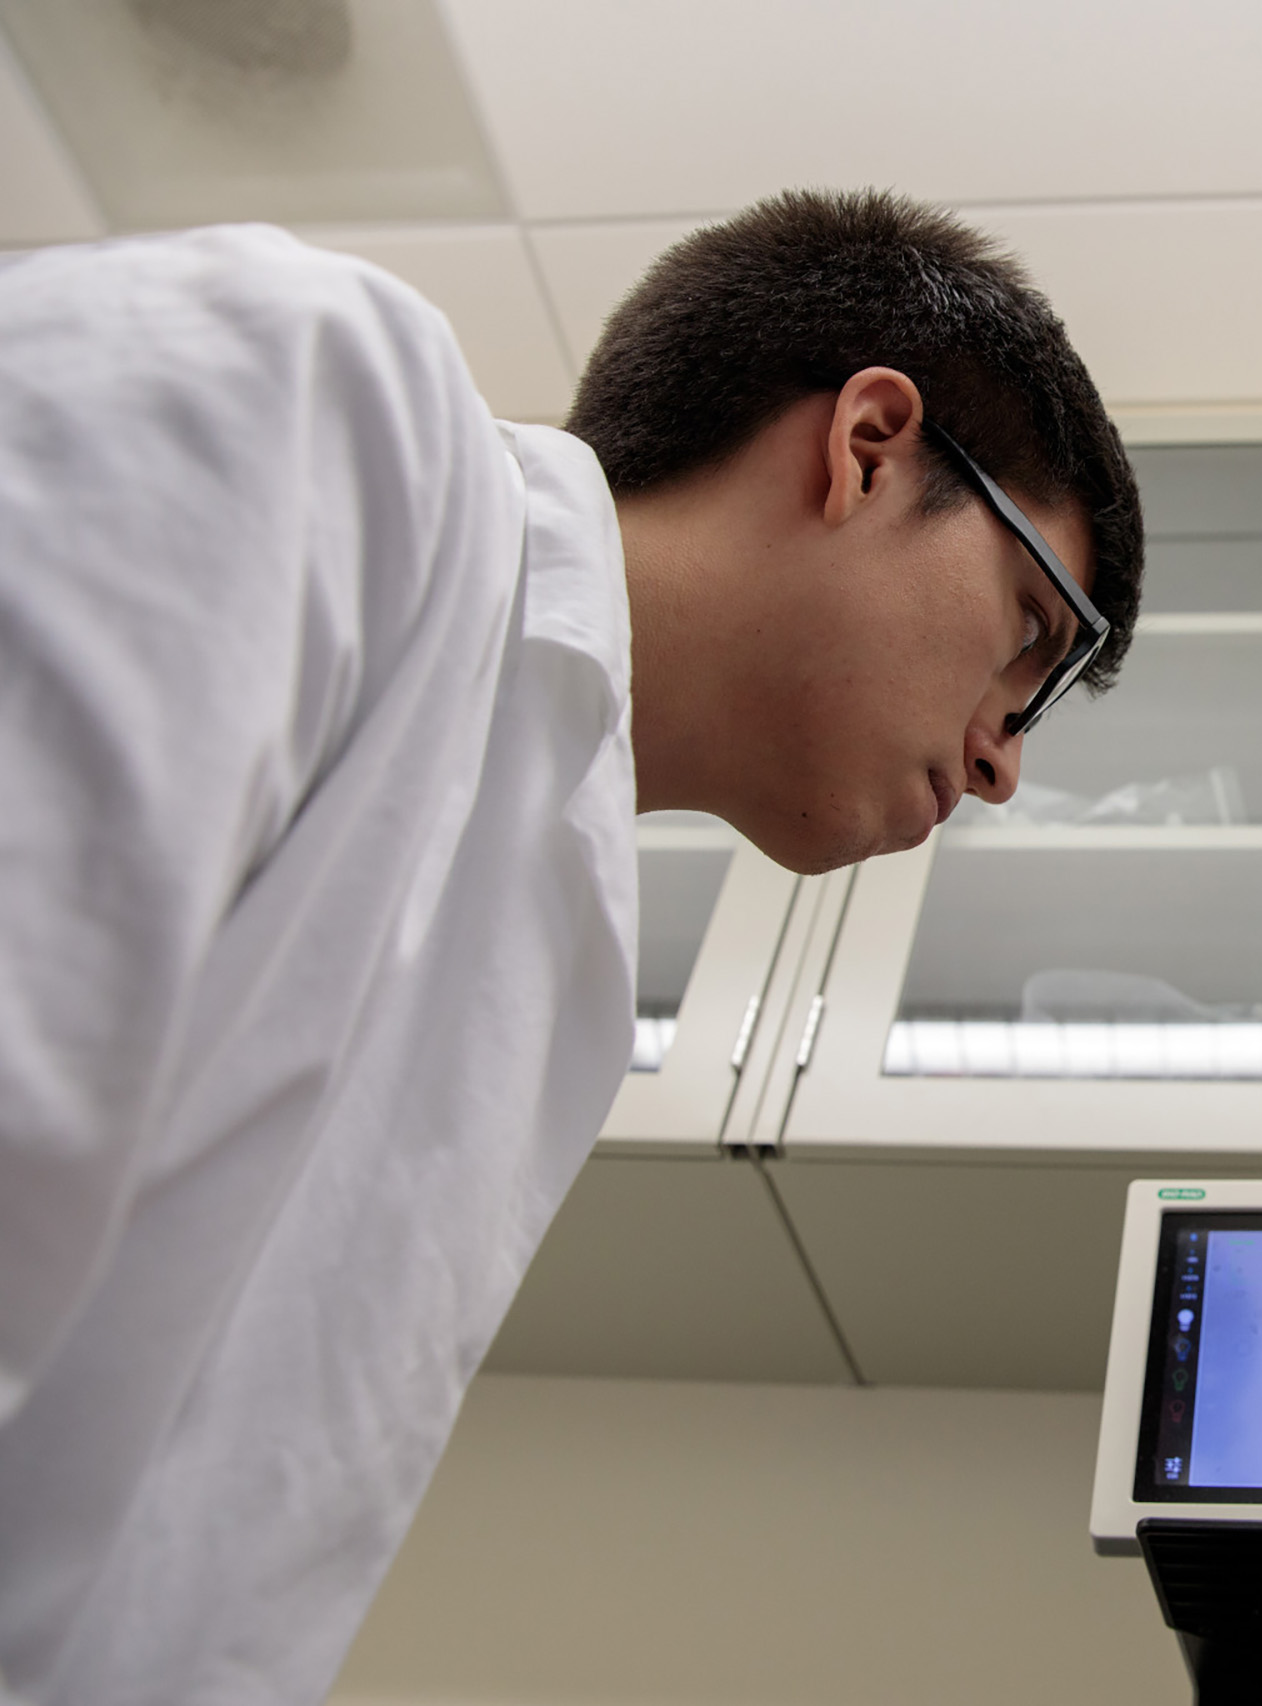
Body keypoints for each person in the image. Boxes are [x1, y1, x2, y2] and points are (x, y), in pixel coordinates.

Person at [0, 189, 1141, 1705]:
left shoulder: (556, 952)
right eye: (1031, 636)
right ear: (869, 448)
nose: (1004, 763)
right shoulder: (329, 414)